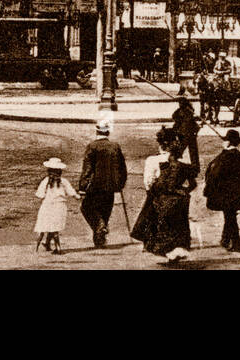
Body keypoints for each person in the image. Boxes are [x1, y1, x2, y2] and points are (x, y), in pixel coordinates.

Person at [132, 127, 196, 261]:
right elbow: (191, 182)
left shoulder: (152, 160)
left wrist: (152, 191)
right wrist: (183, 191)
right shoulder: (183, 162)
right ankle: (176, 248)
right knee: (178, 224)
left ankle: (158, 247)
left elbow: (148, 182)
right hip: (179, 197)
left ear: (160, 144)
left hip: (158, 195)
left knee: (152, 221)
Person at [79, 118, 128, 248]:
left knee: (86, 208)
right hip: (111, 186)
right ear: (108, 133)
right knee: (105, 211)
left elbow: (87, 168)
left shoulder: (92, 147)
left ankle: (100, 227)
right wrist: (121, 183)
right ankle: (100, 240)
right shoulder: (115, 146)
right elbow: (123, 167)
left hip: (95, 185)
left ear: (97, 131)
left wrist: (82, 186)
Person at [203, 128, 240, 252]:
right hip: (239, 194)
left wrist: (209, 190)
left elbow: (213, 176)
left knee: (230, 217)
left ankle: (236, 244)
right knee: (230, 216)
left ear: (228, 143)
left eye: (225, 141)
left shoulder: (222, 158)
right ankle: (225, 239)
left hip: (225, 194)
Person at [34, 157, 78, 254]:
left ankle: (39, 248)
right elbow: (71, 192)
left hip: (48, 205)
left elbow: (40, 194)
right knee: (55, 226)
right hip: (60, 206)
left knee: (43, 226)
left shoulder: (46, 181)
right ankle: (50, 245)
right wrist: (77, 196)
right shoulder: (63, 181)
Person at [171, 96, 201, 178]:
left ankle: (174, 164)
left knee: (180, 149)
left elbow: (174, 117)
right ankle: (195, 167)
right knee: (192, 151)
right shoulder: (188, 111)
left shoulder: (183, 112)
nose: (179, 104)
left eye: (180, 103)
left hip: (184, 133)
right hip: (190, 133)